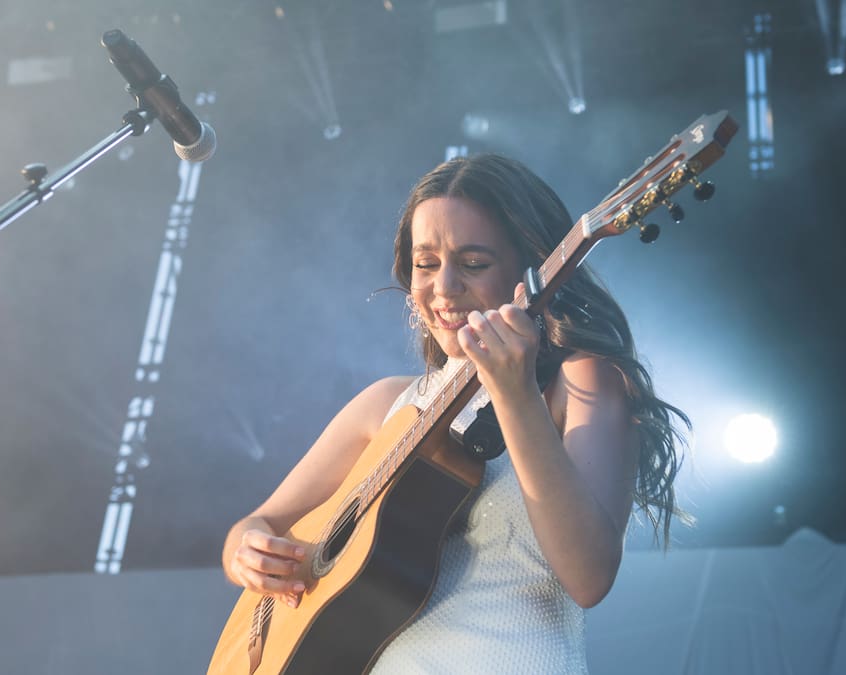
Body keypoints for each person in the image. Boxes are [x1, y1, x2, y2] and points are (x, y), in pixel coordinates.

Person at [220, 154, 687, 673]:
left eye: (473, 263)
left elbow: (589, 577)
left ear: (530, 269)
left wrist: (514, 397)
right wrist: (248, 551)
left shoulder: (581, 380)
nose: (443, 287)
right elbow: (257, 524)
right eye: (426, 262)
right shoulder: (387, 405)